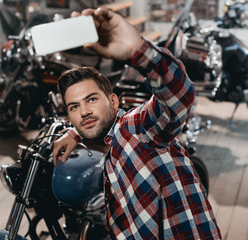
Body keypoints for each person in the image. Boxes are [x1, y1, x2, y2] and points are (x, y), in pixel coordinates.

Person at [53, 7, 221, 239]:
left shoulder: (136, 128)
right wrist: (74, 133)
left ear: (113, 100)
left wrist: (138, 52)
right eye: (74, 107)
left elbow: (179, 93)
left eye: (91, 99)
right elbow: (91, 120)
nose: (83, 112)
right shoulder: (107, 144)